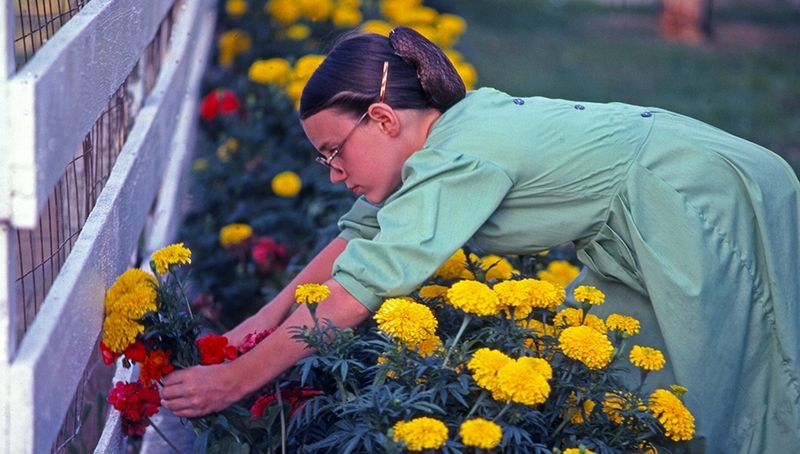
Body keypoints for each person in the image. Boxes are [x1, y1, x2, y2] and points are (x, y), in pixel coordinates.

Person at [161, 26, 800, 452]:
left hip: (698, 196)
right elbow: (353, 246)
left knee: (740, 388)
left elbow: (356, 292)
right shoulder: (435, 146)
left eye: (335, 152)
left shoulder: (457, 156)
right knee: (621, 392)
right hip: (633, 224)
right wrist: (261, 320)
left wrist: (235, 380)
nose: (333, 173)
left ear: (382, 118)